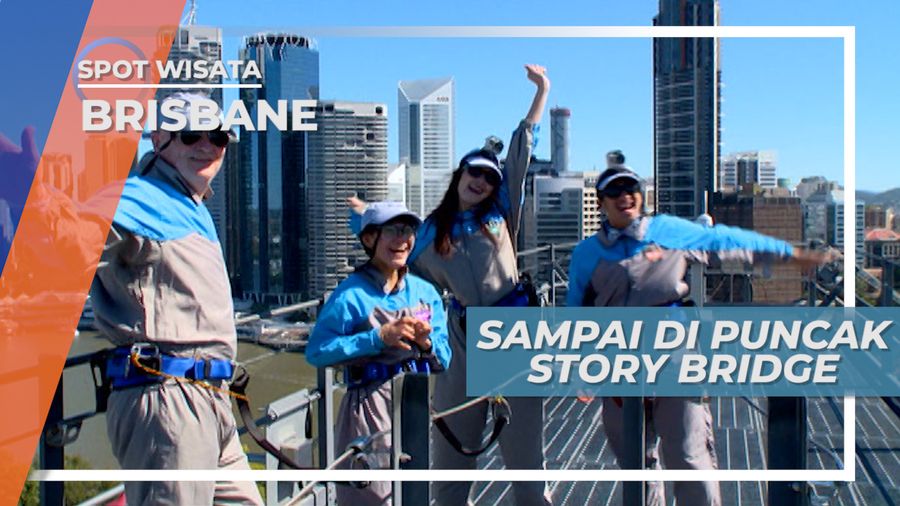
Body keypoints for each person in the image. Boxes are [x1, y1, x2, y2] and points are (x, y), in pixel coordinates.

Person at [567, 156, 829, 506]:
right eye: (613, 190)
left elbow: (725, 240)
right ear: (601, 202)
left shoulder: (667, 231)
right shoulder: (587, 253)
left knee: (690, 456)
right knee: (635, 464)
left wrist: (789, 254)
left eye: (631, 187)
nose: (624, 195)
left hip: (674, 357)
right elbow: (576, 310)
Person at [350, 64, 552, 506]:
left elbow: (521, 151)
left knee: (525, 464)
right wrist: (363, 215)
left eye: (489, 178)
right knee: (451, 459)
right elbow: (394, 253)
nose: (481, 182)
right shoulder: (428, 231)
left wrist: (542, 92)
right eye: (473, 174)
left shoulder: (501, 213)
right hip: (460, 340)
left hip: (512, 338)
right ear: (459, 176)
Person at [90, 92, 263, 505]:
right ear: (158, 138)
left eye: (218, 136)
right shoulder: (136, 198)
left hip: (211, 398)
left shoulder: (192, 204)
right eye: (190, 135)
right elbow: (73, 234)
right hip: (168, 399)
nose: (207, 145)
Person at [306, 201, 451, 506]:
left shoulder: (426, 293)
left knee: (416, 494)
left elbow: (445, 359)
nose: (402, 239)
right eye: (392, 231)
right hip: (367, 407)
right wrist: (377, 338)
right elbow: (318, 352)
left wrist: (426, 345)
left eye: (408, 230)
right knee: (372, 495)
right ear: (369, 239)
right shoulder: (351, 294)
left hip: (415, 401)